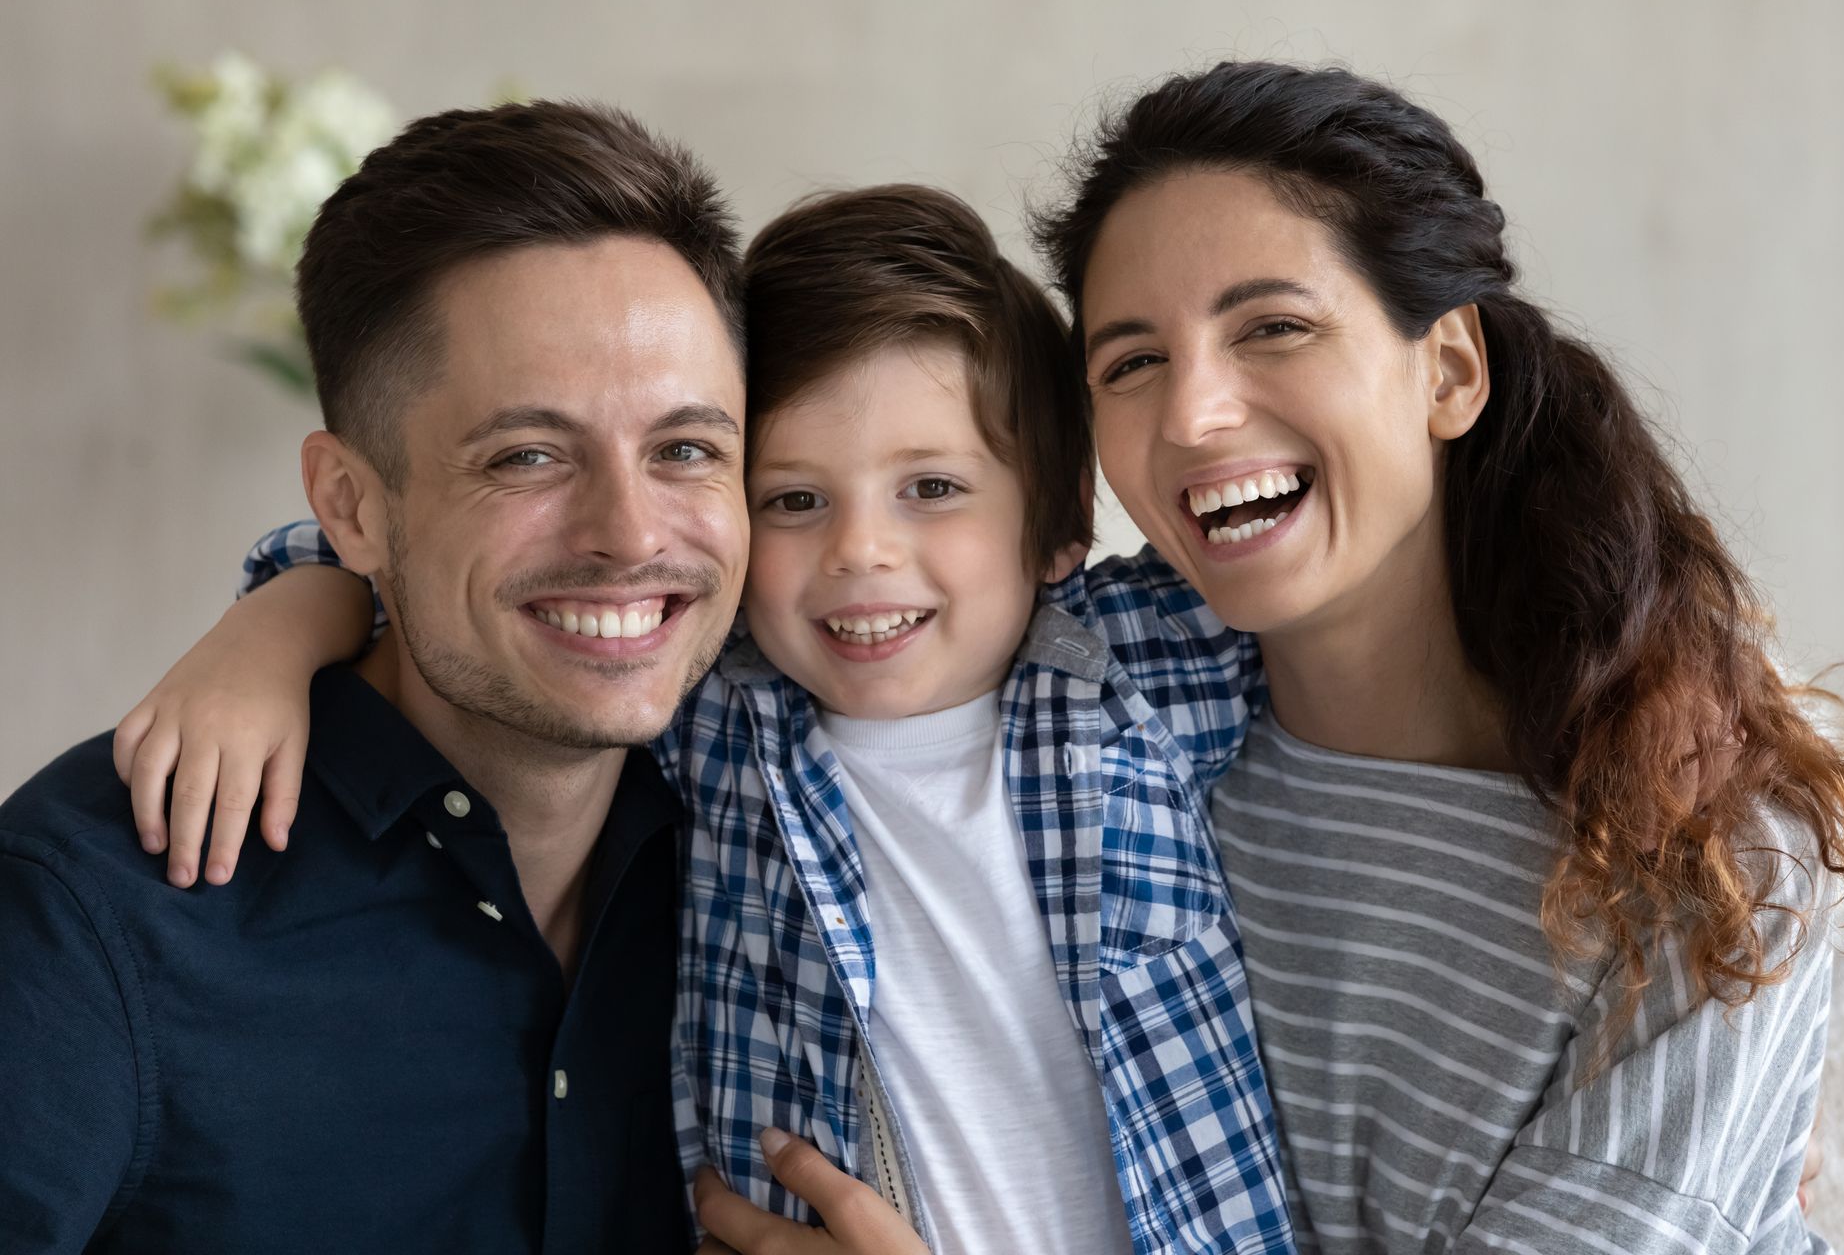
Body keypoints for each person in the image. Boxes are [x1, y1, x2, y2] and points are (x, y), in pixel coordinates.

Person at [109, 186, 1298, 1253]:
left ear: (1056, 524)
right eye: (791, 498)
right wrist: (272, 629)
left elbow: (1338, 562)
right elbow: (434, 567)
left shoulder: (1134, 663)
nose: (861, 550)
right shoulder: (718, 708)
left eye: (932, 487)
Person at [1031, 61, 1844, 1251]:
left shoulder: (1707, 851)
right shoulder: (1111, 786)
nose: (1191, 414)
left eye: (1274, 327)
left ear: (1447, 369)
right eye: (1130, 360)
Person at [0, 100, 750, 1250]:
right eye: (528, 455)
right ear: (349, 503)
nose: (629, 530)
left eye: (686, 448)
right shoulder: (92, 906)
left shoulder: (774, 857)